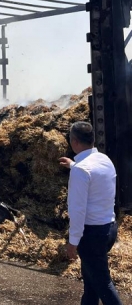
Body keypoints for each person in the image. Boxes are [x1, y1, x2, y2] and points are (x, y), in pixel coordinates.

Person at [59, 121, 122, 305]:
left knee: (103, 284)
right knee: (91, 285)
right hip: (109, 229)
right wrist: (73, 165)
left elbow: (77, 211)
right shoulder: (104, 160)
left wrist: (73, 242)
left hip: (91, 235)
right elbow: (92, 175)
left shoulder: (81, 171)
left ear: (74, 141)